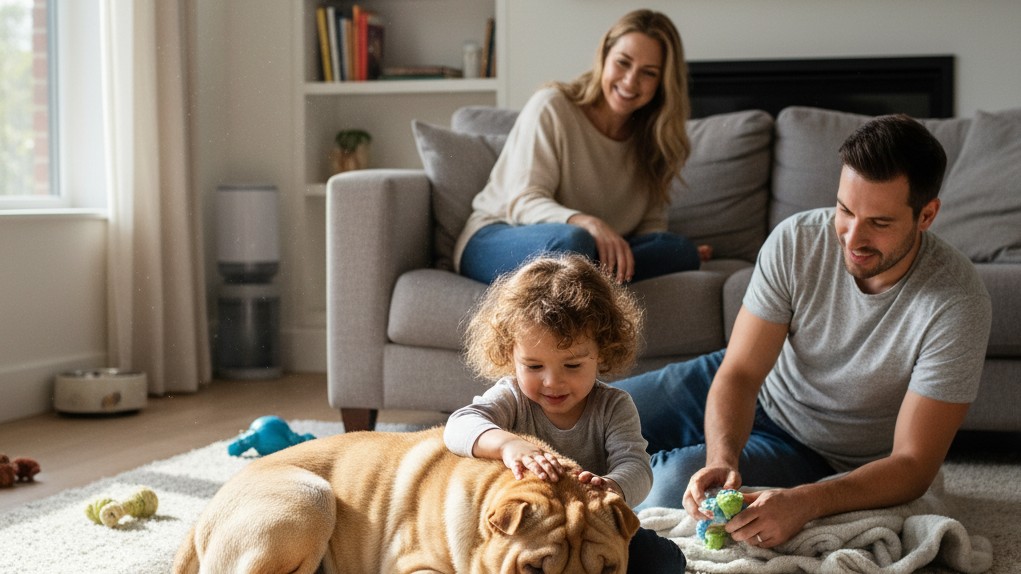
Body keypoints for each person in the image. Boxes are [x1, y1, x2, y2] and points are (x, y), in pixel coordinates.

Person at [613, 114, 992, 548]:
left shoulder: (957, 302)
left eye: (879, 223)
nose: (853, 237)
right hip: (759, 382)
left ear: (926, 215)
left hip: (821, 451)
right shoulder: (797, 240)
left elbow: (914, 463)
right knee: (586, 414)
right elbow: (739, 373)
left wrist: (805, 502)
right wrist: (723, 458)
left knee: (666, 491)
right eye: (845, 210)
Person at [444, 253, 686, 573]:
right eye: (533, 366)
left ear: (602, 351)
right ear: (509, 353)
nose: (552, 382)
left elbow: (637, 466)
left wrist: (611, 486)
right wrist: (508, 445)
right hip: (531, 537)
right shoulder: (512, 397)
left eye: (572, 365)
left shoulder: (613, 406)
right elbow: (458, 426)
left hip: (595, 531)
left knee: (666, 561)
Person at [454, 9, 709, 285]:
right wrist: (589, 223)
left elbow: (649, 230)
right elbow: (522, 201)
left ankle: (589, 275)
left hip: (580, 252)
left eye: (648, 73)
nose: (630, 81)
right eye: (623, 63)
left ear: (662, 83)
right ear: (604, 57)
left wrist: (648, 250)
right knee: (574, 243)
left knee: (678, 249)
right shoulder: (553, 106)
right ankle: (592, 273)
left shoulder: (654, 140)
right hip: (499, 235)